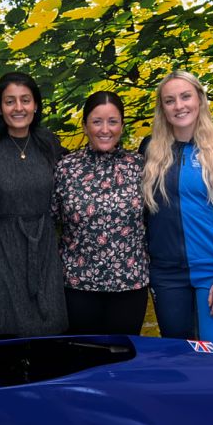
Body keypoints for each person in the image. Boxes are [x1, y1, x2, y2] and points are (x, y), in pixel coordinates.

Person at [141, 69, 213, 343]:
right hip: (166, 276)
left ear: (200, 99)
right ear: (162, 109)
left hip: (212, 272)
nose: (179, 106)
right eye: (170, 100)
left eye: (186, 96)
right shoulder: (149, 149)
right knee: (180, 363)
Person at [0, 71, 67, 337]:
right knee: (6, 328)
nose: (18, 108)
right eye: (10, 101)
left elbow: (68, 191)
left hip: (45, 247)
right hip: (4, 247)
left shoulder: (49, 143)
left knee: (50, 328)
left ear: (36, 105)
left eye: (25, 100)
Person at [52, 91, 149, 335]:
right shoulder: (66, 168)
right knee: (84, 360)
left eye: (112, 121)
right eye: (97, 121)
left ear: (122, 126)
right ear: (85, 126)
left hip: (129, 285)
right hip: (78, 287)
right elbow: (45, 218)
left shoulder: (140, 167)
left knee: (123, 362)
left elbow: (161, 219)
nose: (105, 129)